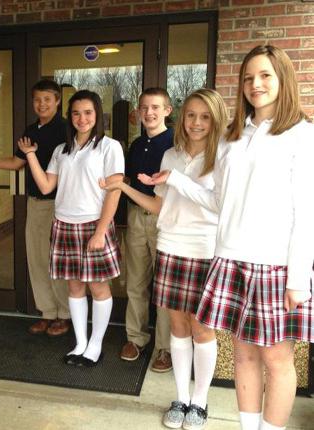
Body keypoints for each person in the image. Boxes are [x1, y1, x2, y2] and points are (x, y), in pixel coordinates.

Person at [145, 45, 314, 430]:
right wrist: (176, 181)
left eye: (265, 75)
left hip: (277, 266)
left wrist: (298, 277)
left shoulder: (303, 135)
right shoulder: (232, 137)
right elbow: (217, 200)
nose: (256, 84)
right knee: (243, 358)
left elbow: (308, 212)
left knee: (278, 361)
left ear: (283, 79)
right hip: (231, 260)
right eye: (249, 77)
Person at [101, 89, 227, 429]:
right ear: (181, 118)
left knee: (202, 330)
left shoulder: (225, 155)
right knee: (179, 327)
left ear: (215, 119)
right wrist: (124, 187)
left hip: (204, 250)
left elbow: (219, 204)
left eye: (204, 116)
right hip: (171, 245)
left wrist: (177, 180)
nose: (197, 123)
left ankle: (199, 403)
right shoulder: (171, 154)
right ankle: (181, 399)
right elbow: (160, 206)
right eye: (191, 115)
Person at [18, 90, 124, 366]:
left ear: (97, 115)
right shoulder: (61, 150)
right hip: (64, 224)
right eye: (76, 113)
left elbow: (114, 193)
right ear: (70, 116)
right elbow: (45, 186)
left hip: (94, 224)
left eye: (88, 112)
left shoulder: (109, 147)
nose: (82, 118)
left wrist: (101, 231)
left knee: (98, 288)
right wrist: (30, 155)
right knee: (74, 287)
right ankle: (80, 343)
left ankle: (96, 345)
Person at [0, 80, 71, 336]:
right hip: (36, 203)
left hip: (61, 205)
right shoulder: (30, 130)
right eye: (37, 99)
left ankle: (65, 314)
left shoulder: (67, 130)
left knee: (57, 261)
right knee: (37, 259)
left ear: (58, 101)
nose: (42, 104)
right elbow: (16, 163)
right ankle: (47, 312)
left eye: (47, 99)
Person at [120, 87, 174, 373]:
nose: (149, 113)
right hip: (135, 217)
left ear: (168, 110)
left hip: (164, 220)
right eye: (144, 108)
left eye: (155, 107)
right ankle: (136, 338)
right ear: (138, 113)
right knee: (136, 282)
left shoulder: (176, 143)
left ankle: (164, 347)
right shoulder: (136, 144)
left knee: (163, 288)